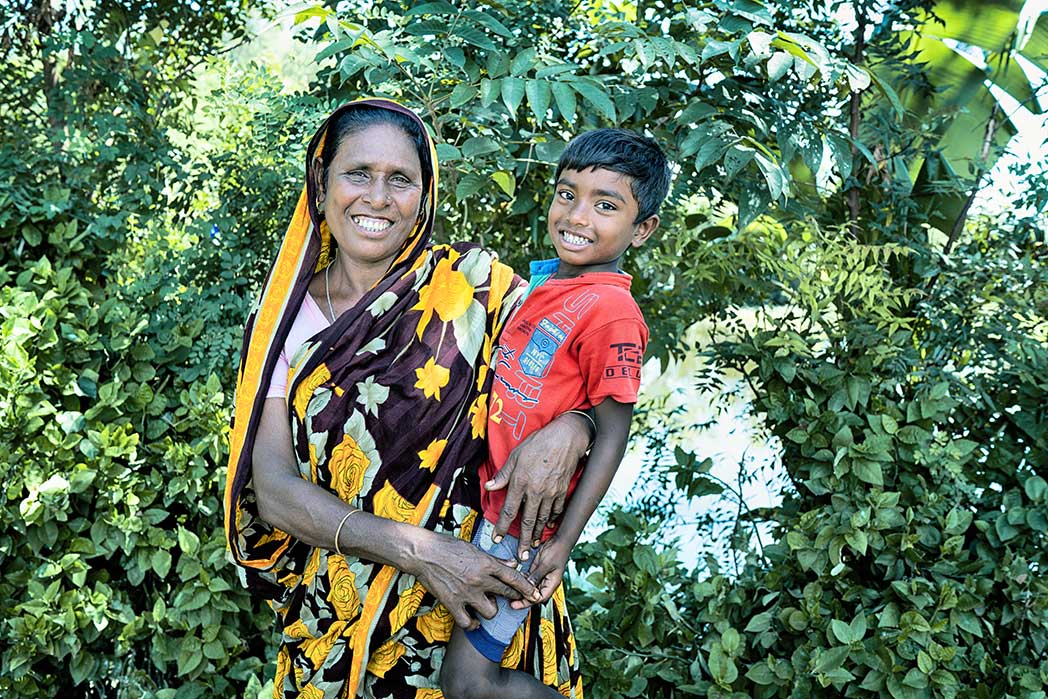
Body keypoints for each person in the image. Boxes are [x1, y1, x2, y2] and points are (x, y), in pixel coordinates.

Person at [223, 99, 590, 699]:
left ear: (424, 196)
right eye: (357, 174)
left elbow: (594, 371)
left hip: (479, 605)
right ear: (320, 187)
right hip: (336, 618)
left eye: (400, 180)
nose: (377, 197)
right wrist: (421, 552)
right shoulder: (284, 322)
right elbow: (275, 492)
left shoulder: (478, 291)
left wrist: (573, 427)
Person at [440, 129, 671, 699]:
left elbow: (613, 436)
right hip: (491, 512)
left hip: (523, 530)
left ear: (642, 230)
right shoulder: (549, 284)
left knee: (467, 683)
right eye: (567, 194)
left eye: (606, 205)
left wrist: (562, 542)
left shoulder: (612, 311)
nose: (578, 215)